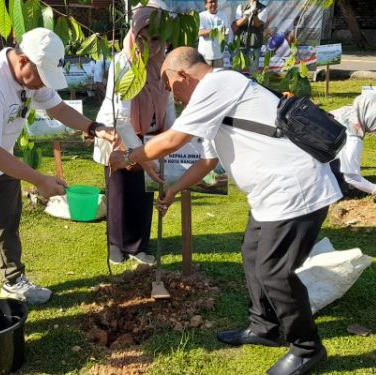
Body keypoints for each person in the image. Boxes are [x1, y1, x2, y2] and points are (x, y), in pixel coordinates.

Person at [109, 47, 341, 375]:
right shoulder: (213, 99)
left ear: (183, 76)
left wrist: (130, 156)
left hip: (295, 190)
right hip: (270, 195)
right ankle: (265, 327)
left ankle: (306, 348)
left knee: (275, 271)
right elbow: (207, 160)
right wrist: (175, 188)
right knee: (252, 253)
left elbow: (173, 139)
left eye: (168, 84)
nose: (170, 94)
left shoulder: (219, 85)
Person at [0, 28, 118, 304]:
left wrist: (94, 127)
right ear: (22, 61)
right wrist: (39, 179)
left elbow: (58, 108)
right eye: (42, 77)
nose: (43, 85)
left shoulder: (32, 78)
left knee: (8, 222)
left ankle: (13, 281)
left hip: (2, 159)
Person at [93, 6, 170, 266]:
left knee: (144, 192)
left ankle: (138, 245)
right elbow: (122, 118)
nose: (149, 46)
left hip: (150, 134)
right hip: (119, 134)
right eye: (142, 38)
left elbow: (167, 100)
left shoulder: (163, 61)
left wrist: (169, 139)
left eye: (156, 39)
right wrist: (142, 155)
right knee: (119, 190)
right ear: (133, 34)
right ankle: (116, 244)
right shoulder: (123, 62)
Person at [234, 0, 267, 74]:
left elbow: (256, 24)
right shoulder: (241, 6)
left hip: (254, 45)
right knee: (237, 71)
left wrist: (253, 12)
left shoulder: (263, 8)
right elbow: (237, 23)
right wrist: (247, 15)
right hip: (241, 44)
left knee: (253, 72)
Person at [198, 0, 230, 68]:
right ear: (205, 5)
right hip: (204, 56)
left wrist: (225, 32)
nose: (213, 4)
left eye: (215, 1)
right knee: (205, 77)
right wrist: (215, 30)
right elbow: (199, 32)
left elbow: (226, 31)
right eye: (210, 2)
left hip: (219, 55)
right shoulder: (201, 16)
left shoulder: (223, 16)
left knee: (218, 77)